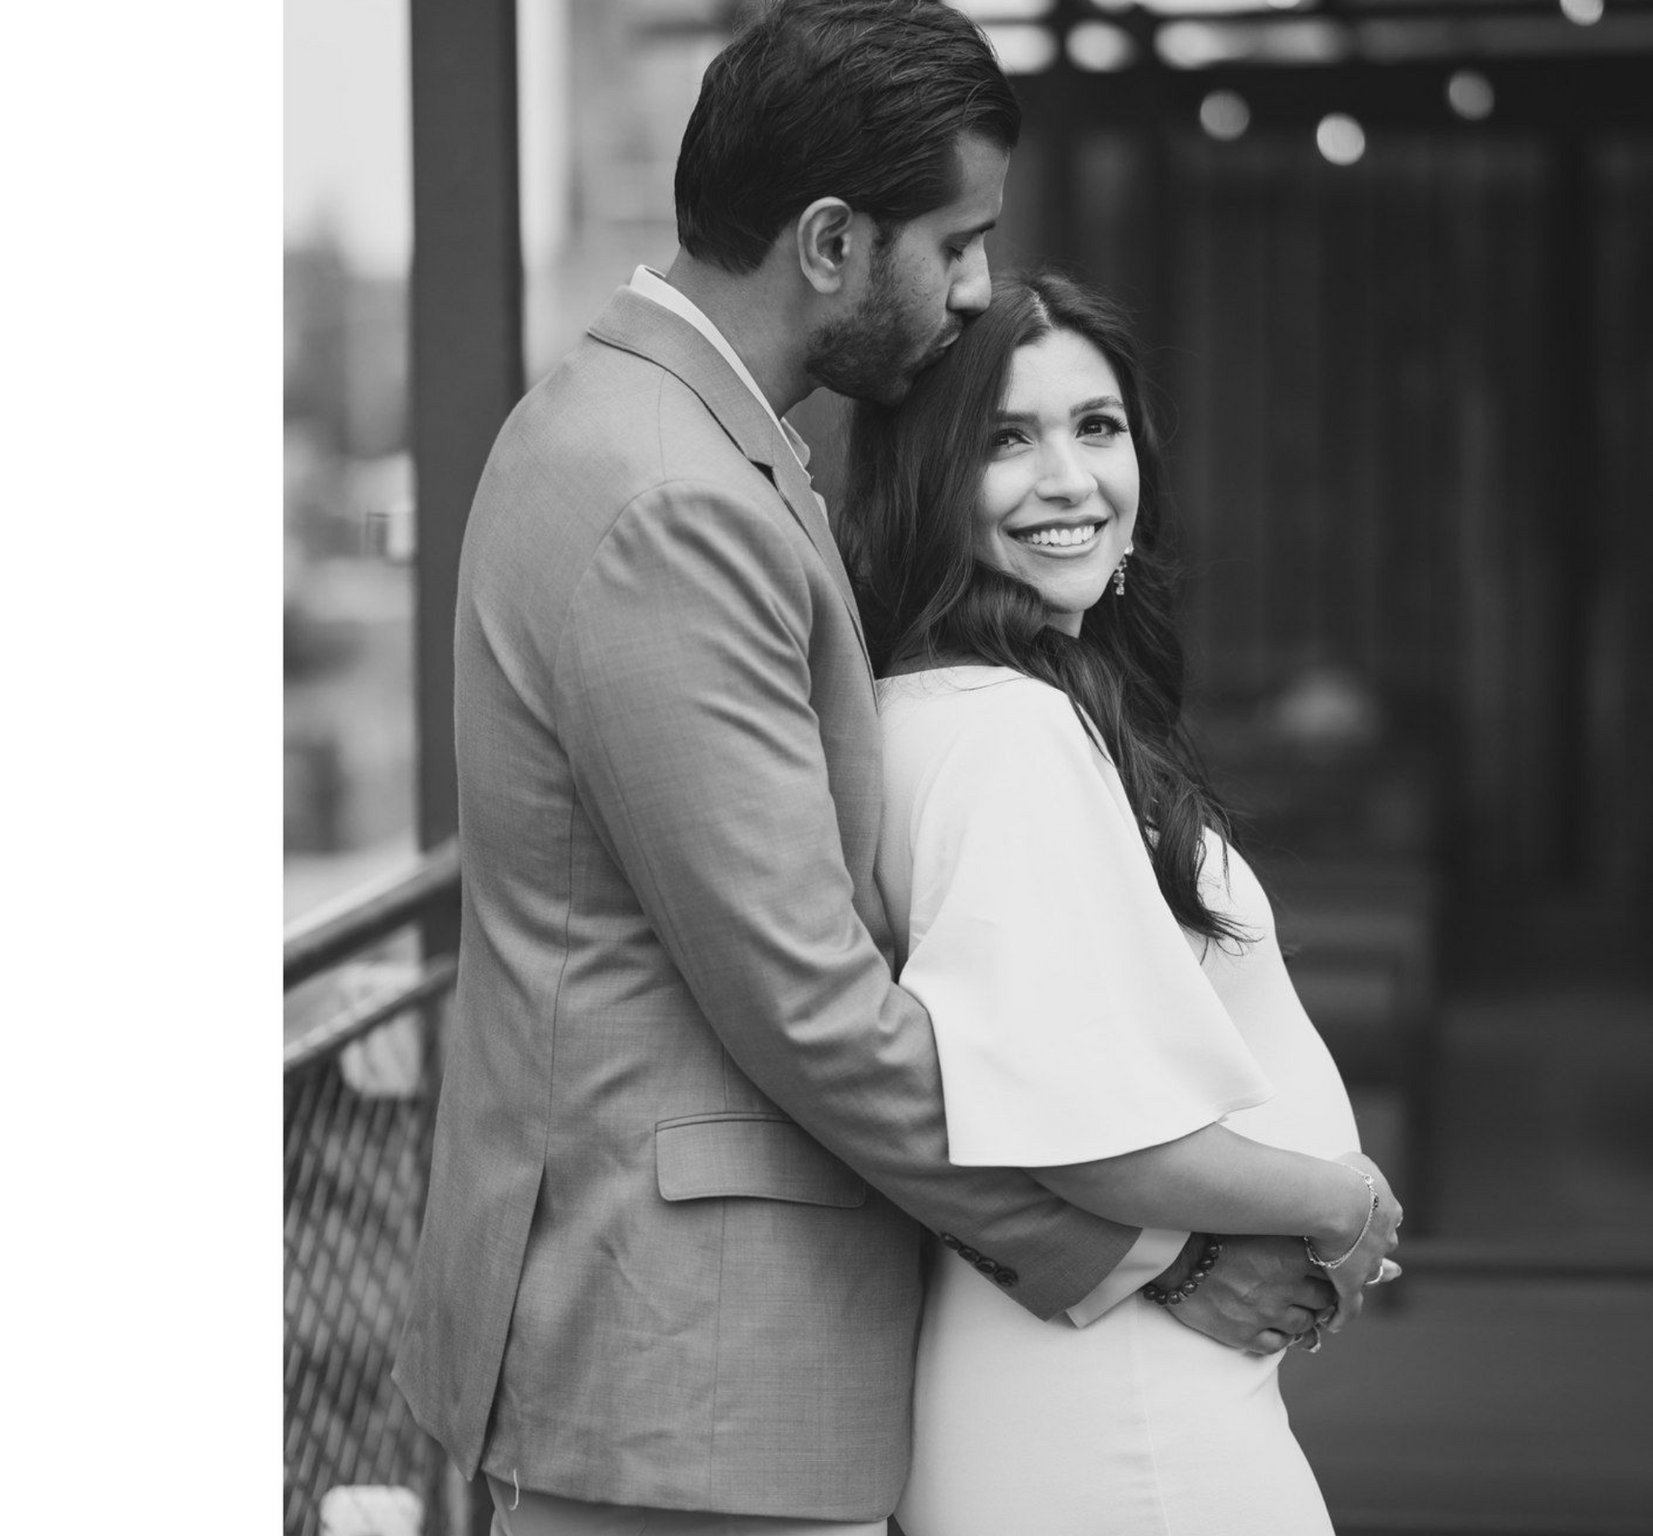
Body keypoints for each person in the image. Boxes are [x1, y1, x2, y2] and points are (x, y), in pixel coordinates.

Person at [393, 5, 1348, 1534]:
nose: (975, 292)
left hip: (706, 1351)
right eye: (957, 243)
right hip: (685, 1357)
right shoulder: (664, 496)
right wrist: (1143, 1251)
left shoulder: (698, 443)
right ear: (832, 242)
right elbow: (807, 1001)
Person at [840, 269, 1404, 1534]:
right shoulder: (1002, 732)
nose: (1071, 478)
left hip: (1104, 1383)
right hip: (1118, 1417)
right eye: (1005, 439)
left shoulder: (974, 706)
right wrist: (1342, 1199)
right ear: (927, 481)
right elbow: (1078, 1127)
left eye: (1096, 427)